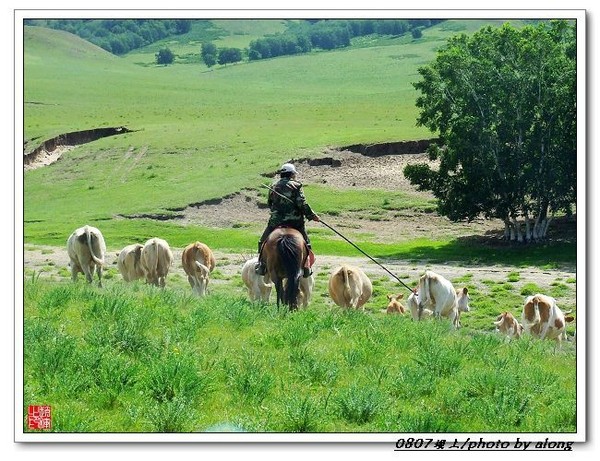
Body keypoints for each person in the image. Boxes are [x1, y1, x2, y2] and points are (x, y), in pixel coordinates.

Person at [255, 162, 319, 277]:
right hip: (294, 222)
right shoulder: (297, 185)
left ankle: (261, 265)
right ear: (292, 174)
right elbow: (302, 203)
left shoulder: (273, 186)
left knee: (262, 241)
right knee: (307, 243)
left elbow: (270, 203)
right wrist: (311, 215)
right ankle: (306, 267)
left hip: (276, 221)